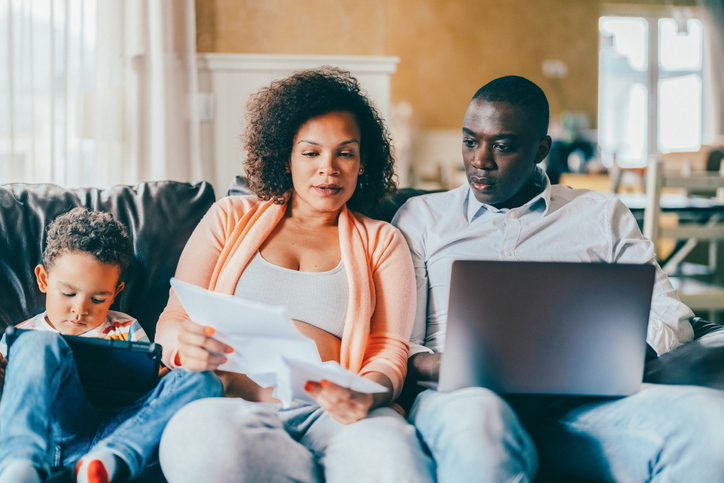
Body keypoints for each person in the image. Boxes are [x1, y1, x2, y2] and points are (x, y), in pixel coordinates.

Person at [392, 75, 724, 482]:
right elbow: (395, 339)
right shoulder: (422, 217)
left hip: (582, 404)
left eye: (502, 146)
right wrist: (445, 365)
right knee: (481, 427)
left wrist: (606, 362)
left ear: (540, 150)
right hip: (463, 399)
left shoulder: (602, 215)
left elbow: (670, 315)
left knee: (711, 421)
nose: (480, 160)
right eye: (469, 141)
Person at [156, 67, 435, 483]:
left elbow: (389, 351)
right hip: (231, 405)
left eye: (345, 152)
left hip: (336, 415)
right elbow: (172, 322)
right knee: (198, 446)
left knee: (395, 464)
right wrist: (183, 348)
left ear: (363, 163)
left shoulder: (383, 241)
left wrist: (367, 394)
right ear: (285, 157)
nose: (330, 168)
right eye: (310, 152)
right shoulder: (229, 218)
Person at [0, 208, 223, 483]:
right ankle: (18, 465)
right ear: (44, 279)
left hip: (127, 427)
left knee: (205, 380)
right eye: (68, 293)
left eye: (98, 299)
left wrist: (166, 372)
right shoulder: (24, 334)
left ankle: (107, 461)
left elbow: (153, 382)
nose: (79, 310)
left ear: (116, 292)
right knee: (36, 345)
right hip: (58, 431)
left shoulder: (127, 327)